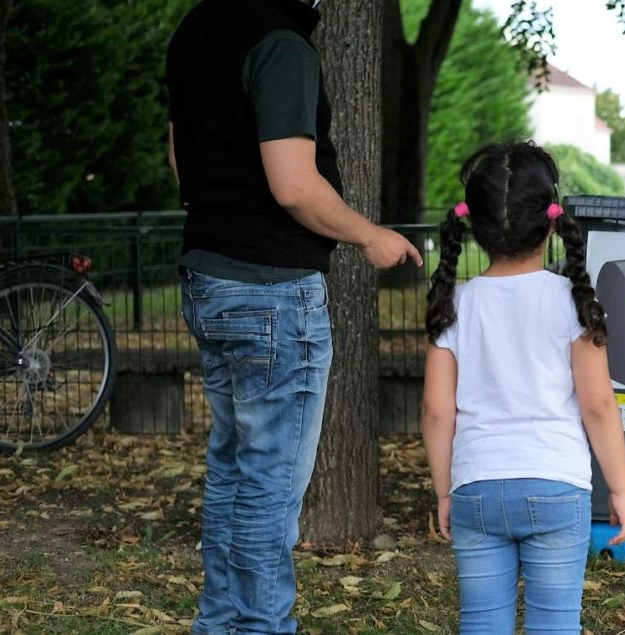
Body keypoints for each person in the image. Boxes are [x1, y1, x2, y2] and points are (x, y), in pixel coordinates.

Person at [165, 0, 421, 632]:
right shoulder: (280, 45)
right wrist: (369, 235)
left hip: (207, 276)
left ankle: (218, 624)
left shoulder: (196, 27)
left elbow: (179, 160)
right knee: (269, 484)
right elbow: (294, 185)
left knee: (232, 471)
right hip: (271, 290)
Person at [421, 142, 625, 634]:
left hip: (475, 486)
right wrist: (621, 489)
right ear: (551, 222)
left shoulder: (455, 304)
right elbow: (599, 406)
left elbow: (436, 411)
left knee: (481, 623)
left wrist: (444, 491)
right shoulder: (572, 302)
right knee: (555, 624)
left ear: (474, 227)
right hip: (556, 485)